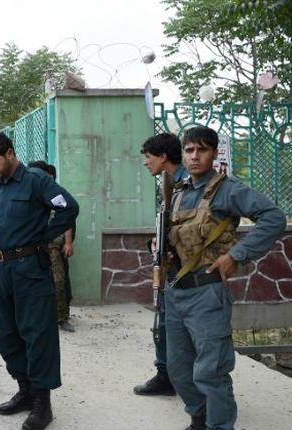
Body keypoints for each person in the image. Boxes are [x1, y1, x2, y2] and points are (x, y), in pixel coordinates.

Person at [165, 126, 285, 430]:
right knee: (178, 370)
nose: (194, 156)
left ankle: (219, 425)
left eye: (202, 150)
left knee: (210, 371)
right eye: (189, 150)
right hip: (176, 291)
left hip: (206, 293)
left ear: (214, 154)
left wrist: (236, 256)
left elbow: (273, 218)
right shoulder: (179, 192)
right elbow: (174, 235)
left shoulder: (227, 190)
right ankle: (200, 417)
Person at [0, 132, 78, 430]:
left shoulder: (36, 180)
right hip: (1, 271)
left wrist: (43, 236)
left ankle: (42, 404)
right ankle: (25, 390)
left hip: (30, 270)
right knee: (7, 335)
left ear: (9, 153)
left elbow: (68, 207)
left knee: (37, 336)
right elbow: (0, 223)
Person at [133, 132, 188, 396]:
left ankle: (192, 385)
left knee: (185, 330)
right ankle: (166, 375)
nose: (145, 162)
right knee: (163, 322)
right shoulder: (170, 183)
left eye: (148, 157)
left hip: (190, 271)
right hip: (171, 266)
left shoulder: (189, 184)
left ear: (164, 157)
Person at [26, 161, 76, 333]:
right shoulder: (29, 192)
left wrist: (68, 242)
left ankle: (62, 317)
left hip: (54, 247)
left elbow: (67, 218)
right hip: (32, 248)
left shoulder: (54, 192)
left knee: (59, 282)